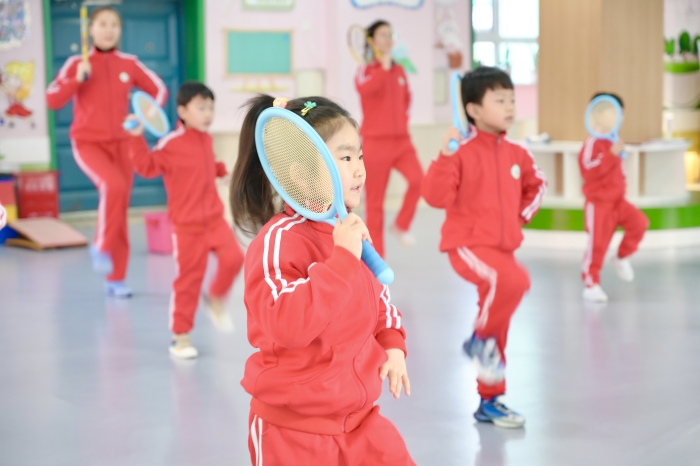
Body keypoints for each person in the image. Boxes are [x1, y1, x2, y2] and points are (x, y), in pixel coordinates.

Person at [231, 95, 415, 465]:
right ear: (301, 175)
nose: (359, 170)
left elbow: (379, 301)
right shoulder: (278, 242)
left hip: (360, 422)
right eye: (345, 158)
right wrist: (341, 260)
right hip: (293, 432)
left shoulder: (347, 229)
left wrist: (393, 344)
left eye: (360, 156)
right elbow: (287, 324)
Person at [422, 66, 547, 429]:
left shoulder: (518, 153)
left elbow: (537, 186)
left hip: (502, 248)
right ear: (474, 109)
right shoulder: (459, 151)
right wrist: (445, 154)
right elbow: (435, 196)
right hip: (467, 244)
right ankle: (479, 340)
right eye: (500, 100)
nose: (510, 106)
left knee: (498, 323)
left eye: (512, 99)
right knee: (514, 282)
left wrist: (519, 216)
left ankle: (489, 401)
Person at [46, 6, 168, 298]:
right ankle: (101, 245)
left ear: (120, 30)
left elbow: (159, 90)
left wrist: (144, 116)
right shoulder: (77, 63)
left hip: (123, 146)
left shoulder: (129, 63)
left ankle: (116, 279)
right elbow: (52, 100)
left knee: (119, 210)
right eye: (102, 23)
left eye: (114, 24)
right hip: (88, 144)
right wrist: (76, 79)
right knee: (112, 187)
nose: (108, 29)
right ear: (90, 29)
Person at [125, 82, 244, 359]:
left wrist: (222, 171)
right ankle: (181, 336)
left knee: (234, 260)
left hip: (214, 221)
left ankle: (215, 298)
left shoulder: (206, 139)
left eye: (211, 108)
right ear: (182, 111)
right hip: (187, 229)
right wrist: (136, 138)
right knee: (188, 282)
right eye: (201, 108)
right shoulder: (171, 144)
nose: (208, 113)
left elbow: (209, 163)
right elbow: (146, 166)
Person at [355, 20, 424, 257]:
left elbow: (407, 99)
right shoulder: (365, 70)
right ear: (372, 41)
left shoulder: (399, 70)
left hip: (402, 141)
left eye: (390, 35)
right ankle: (378, 260)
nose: (388, 39)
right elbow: (365, 90)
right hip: (375, 142)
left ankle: (402, 224)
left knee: (419, 181)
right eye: (383, 35)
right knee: (375, 204)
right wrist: (382, 69)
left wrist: (402, 121)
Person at [579, 93, 649, 303]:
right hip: (599, 205)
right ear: (598, 115)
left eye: (621, 113)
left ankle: (621, 256)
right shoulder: (592, 142)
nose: (619, 117)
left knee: (640, 223)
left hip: (618, 201)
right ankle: (590, 284)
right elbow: (588, 170)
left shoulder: (614, 140)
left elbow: (618, 171)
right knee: (597, 245)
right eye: (613, 112)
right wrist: (610, 154)